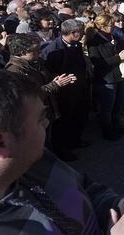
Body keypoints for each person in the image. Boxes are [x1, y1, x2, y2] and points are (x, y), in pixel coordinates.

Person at [0, 70, 124, 235]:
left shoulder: (34, 160)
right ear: (0, 144)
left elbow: (83, 189)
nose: (47, 124)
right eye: (40, 119)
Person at [40, 19, 89, 161]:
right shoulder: (53, 50)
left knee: (79, 115)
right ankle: (62, 150)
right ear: (73, 33)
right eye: (81, 32)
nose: (84, 34)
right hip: (63, 92)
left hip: (79, 87)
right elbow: (47, 72)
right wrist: (61, 79)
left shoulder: (76, 45)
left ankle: (76, 140)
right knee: (64, 121)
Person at [85, 13, 124, 141]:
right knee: (107, 107)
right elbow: (99, 63)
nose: (113, 27)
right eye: (111, 25)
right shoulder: (94, 42)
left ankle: (116, 124)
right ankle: (107, 130)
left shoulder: (114, 37)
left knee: (120, 103)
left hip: (120, 75)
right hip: (107, 78)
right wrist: (118, 57)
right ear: (102, 26)